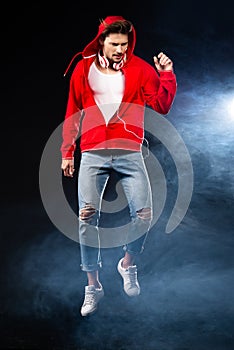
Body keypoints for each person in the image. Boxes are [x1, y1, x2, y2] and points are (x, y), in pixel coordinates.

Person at [61, 15, 177, 316]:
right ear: (102, 41)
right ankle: (93, 286)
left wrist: (167, 74)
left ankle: (127, 264)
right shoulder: (83, 68)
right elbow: (73, 108)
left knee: (144, 214)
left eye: (125, 44)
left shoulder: (140, 69)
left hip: (129, 152)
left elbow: (161, 105)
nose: (120, 50)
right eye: (114, 44)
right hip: (93, 152)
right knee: (87, 220)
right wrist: (67, 151)